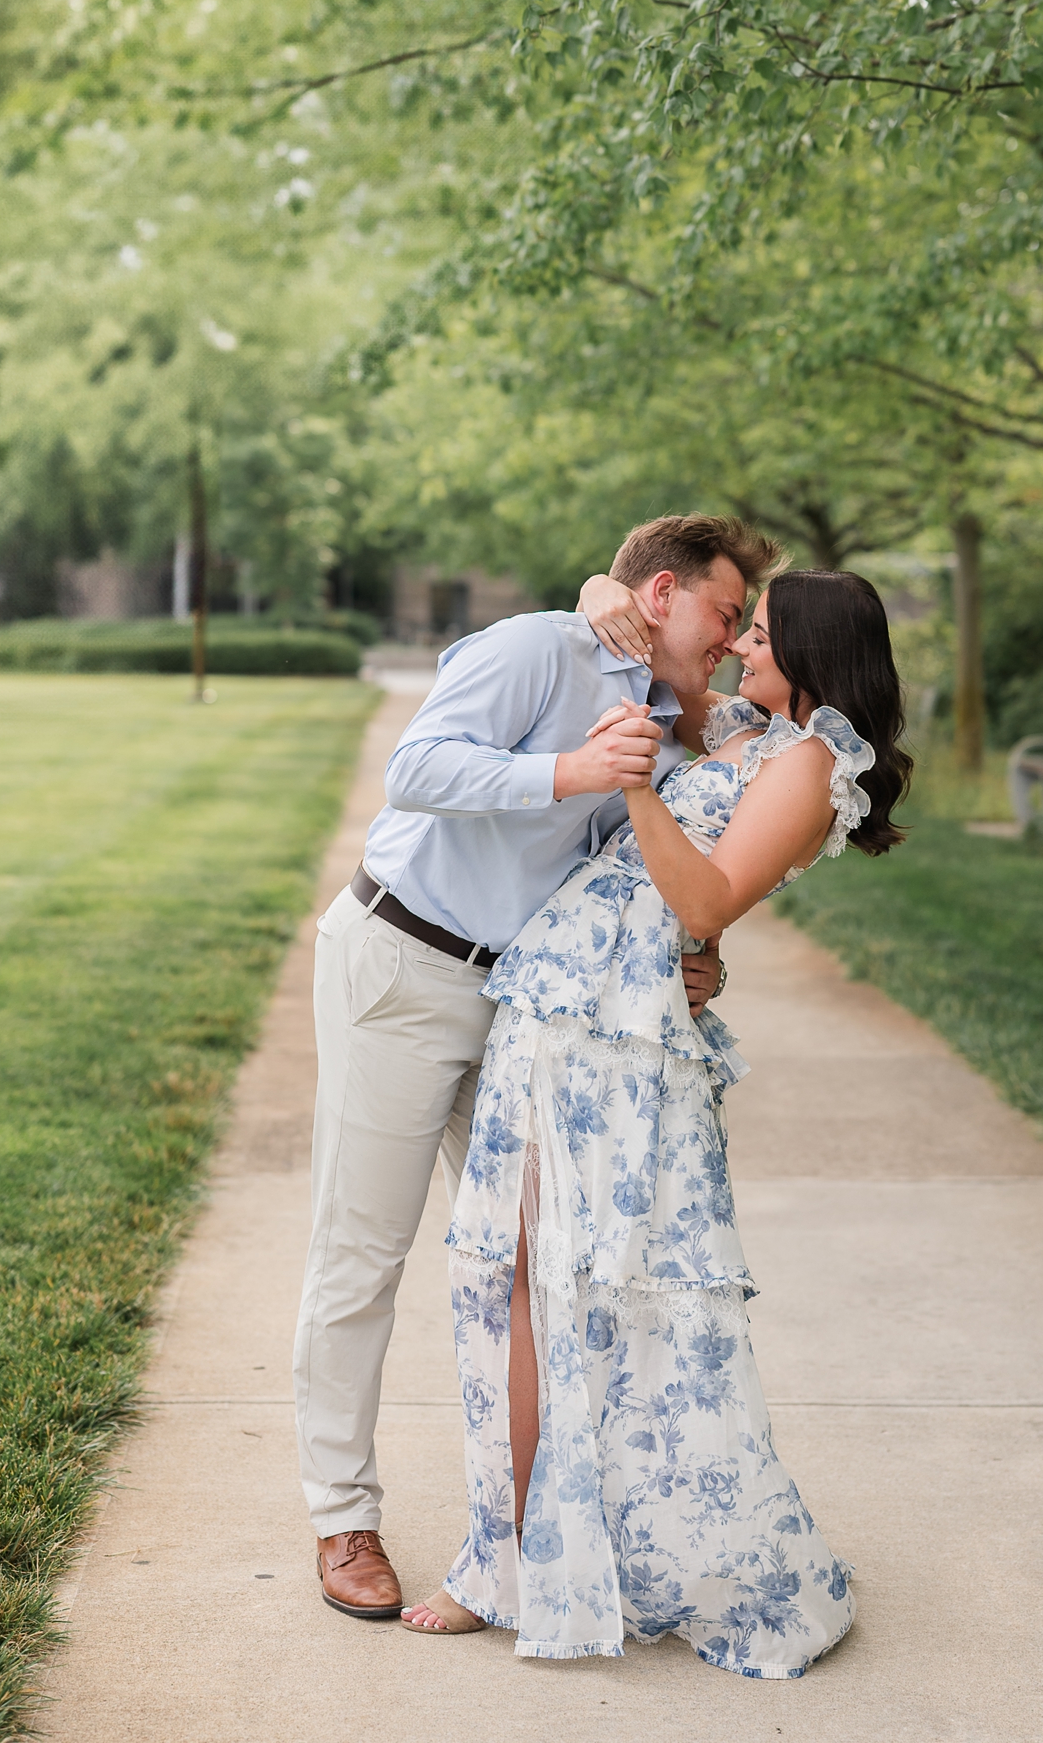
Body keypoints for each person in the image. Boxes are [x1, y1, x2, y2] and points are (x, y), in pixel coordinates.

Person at [401, 569, 913, 1679]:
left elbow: (707, 900)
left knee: (573, 1292)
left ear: (817, 651)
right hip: (563, 1008)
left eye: (762, 635)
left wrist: (634, 790)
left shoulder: (817, 763)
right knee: (522, 1285)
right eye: (741, 626)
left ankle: (514, 1564)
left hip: (623, 1042)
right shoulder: (740, 730)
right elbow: (632, 618)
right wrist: (599, 585)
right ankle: (526, 1551)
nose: (737, 651)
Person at [294, 514, 784, 1618]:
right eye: (722, 610)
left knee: (540, 1264)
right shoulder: (538, 649)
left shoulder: (677, 716)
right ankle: (343, 1517)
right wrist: (567, 768)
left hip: (524, 1005)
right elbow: (413, 768)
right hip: (404, 966)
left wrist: (700, 960)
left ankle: (528, 1532)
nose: (732, 634)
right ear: (660, 592)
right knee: (363, 1253)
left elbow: (684, 849)